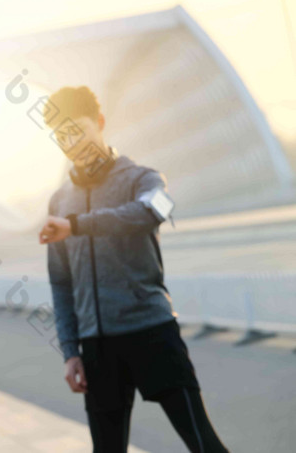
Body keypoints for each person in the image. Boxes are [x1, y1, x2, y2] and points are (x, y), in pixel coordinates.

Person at [38, 86, 230, 453]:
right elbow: (61, 283)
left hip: (152, 332)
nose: (71, 142)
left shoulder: (145, 179)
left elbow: (154, 211)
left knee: (203, 443)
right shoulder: (59, 201)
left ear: (100, 123)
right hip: (96, 348)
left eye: (77, 129)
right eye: (61, 135)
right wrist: (70, 351)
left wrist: (78, 224)